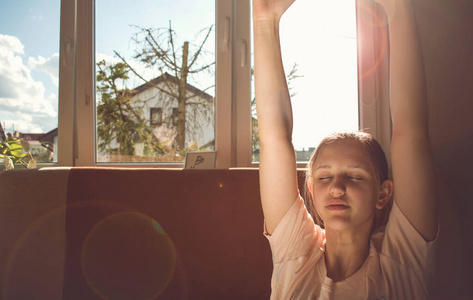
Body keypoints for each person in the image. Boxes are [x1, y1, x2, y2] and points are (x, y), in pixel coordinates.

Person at [253, 0, 438, 298]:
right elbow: (274, 137)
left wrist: (400, 9)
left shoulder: (402, 260)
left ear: (383, 193)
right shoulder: (296, 255)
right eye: (325, 178)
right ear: (311, 190)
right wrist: (264, 18)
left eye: (355, 177)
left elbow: (411, 132)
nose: (337, 188)